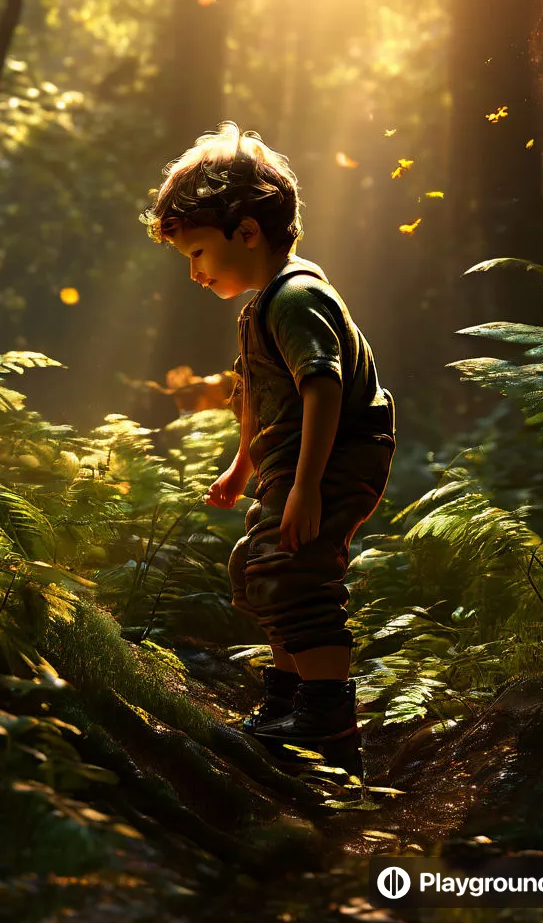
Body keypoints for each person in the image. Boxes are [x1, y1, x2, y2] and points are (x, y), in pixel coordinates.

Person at [140, 122, 396, 776]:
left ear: (247, 232)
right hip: (289, 462)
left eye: (197, 253)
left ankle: (329, 721)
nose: (194, 273)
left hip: (336, 454)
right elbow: (254, 395)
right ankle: (288, 702)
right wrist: (240, 465)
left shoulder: (297, 297)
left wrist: (309, 484)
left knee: (297, 571)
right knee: (256, 568)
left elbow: (322, 385)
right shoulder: (258, 309)